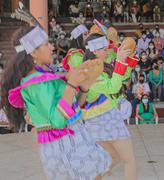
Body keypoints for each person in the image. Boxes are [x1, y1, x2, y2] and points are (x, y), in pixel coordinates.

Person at [0, 25, 111, 180]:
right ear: (33, 52)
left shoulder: (44, 78)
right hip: (66, 149)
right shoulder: (35, 84)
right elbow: (58, 121)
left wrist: (84, 88)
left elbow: (73, 110)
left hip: (74, 141)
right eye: (46, 44)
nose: (52, 47)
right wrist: (71, 84)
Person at [81, 33, 138, 180]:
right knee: (129, 160)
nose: (108, 52)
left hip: (96, 121)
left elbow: (122, 78)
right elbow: (112, 87)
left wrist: (126, 60)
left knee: (113, 158)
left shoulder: (100, 66)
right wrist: (119, 60)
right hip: (105, 118)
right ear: (94, 51)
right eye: (104, 49)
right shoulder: (89, 71)